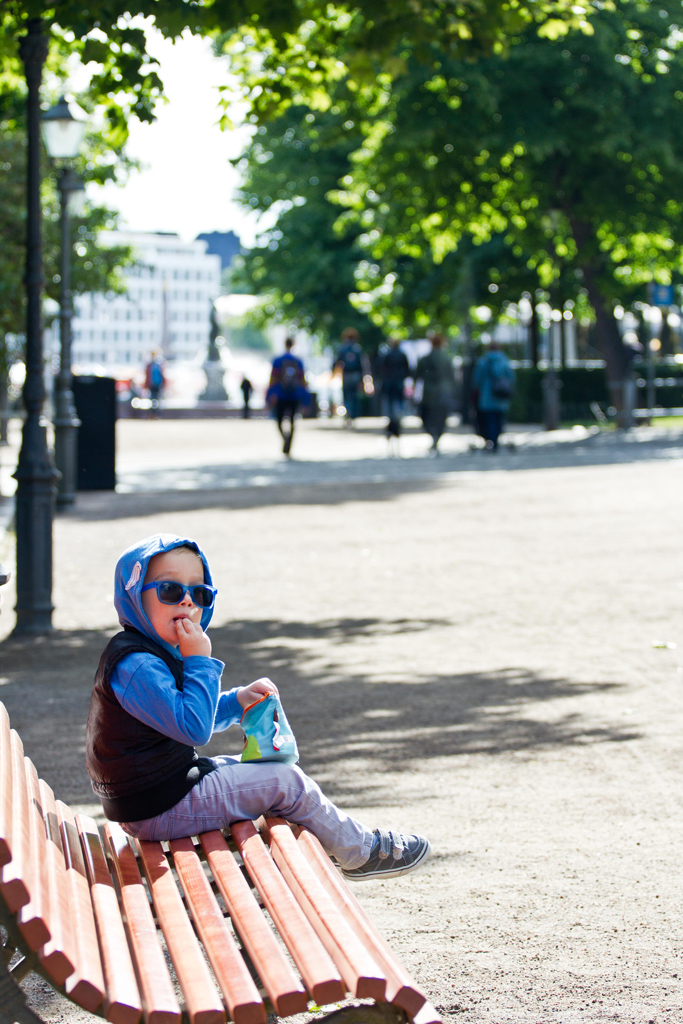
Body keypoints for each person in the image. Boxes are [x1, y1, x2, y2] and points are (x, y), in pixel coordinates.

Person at [85, 534, 431, 881]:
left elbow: (181, 715)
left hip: (158, 795)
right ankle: (360, 852)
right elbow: (193, 727)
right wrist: (199, 662)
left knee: (261, 768)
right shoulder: (138, 665)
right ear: (133, 597)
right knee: (284, 781)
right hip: (158, 807)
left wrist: (236, 701)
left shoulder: (149, 655)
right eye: (170, 592)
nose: (188, 602)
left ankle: (331, 846)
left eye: (200, 593)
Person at [414, 333, 457, 455]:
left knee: (426, 416)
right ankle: (437, 436)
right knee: (441, 417)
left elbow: (417, 376)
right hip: (444, 392)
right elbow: (452, 378)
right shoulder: (447, 358)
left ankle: (433, 435)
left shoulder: (425, 359)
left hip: (429, 393)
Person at [266, 338, 307, 456]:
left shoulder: (278, 360)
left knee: (279, 420)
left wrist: (269, 396)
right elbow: (303, 381)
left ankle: (285, 439)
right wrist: (305, 400)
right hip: (294, 395)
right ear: (293, 344)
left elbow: (273, 379)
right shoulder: (298, 361)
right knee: (293, 421)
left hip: (280, 394)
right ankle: (289, 443)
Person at [471, 341, 515, 451]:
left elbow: (477, 380)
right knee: (499, 419)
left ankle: (490, 441)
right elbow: (512, 378)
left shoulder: (482, 362)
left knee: (489, 419)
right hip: (500, 397)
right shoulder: (504, 361)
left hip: (486, 396)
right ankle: (496, 440)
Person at [333, 328, 372, 427]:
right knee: (355, 397)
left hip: (346, 375)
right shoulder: (357, 349)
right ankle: (353, 416)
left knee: (346, 396)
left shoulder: (342, 348)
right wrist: (363, 378)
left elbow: (336, 362)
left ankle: (348, 414)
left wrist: (334, 372)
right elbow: (363, 365)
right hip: (356, 375)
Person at [377, 338, 411, 450]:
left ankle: (392, 418)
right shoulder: (402, 355)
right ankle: (399, 416)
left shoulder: (387, 354)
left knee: (390, 403)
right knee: (399, 402)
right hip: (399, 381)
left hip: (389, 382)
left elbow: (381, 369)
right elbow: (407, 369)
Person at [144, 352, 166, 417]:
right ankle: (152, 413)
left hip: (158, 385)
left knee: (157, 399)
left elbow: (162, 375)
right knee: (152, 399)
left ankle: (156, 414)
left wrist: (163, 383)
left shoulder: (159, 364)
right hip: (152, 385)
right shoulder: (150, 365)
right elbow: (147, 375)